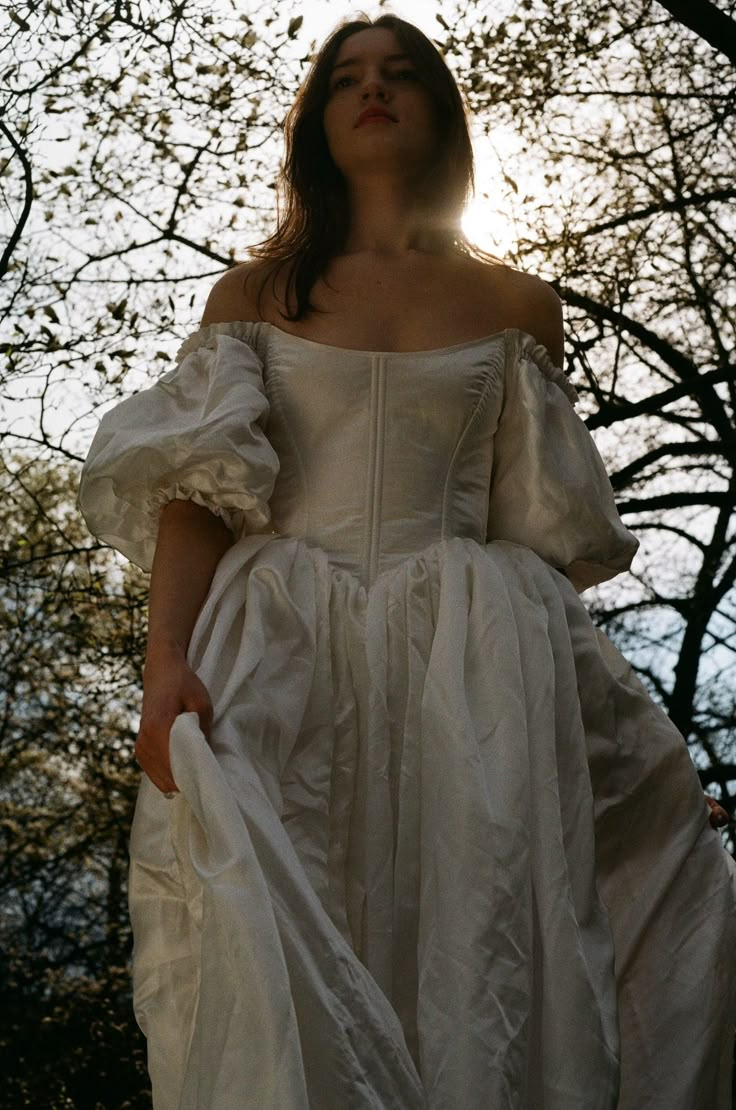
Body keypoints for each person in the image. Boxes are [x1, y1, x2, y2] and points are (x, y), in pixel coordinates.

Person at [78, 14, 736, 1109]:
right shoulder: (256, 295)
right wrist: (163, 668)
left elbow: (541, 542)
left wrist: (628, 759)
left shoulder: (517, 307)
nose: (373, 91)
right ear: (318, 121)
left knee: (479, 944)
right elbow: (200, 493)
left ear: (439, 109)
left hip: (476, 665)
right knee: (275, 922)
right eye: (347, 78)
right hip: (283, 641)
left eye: (399, 75)